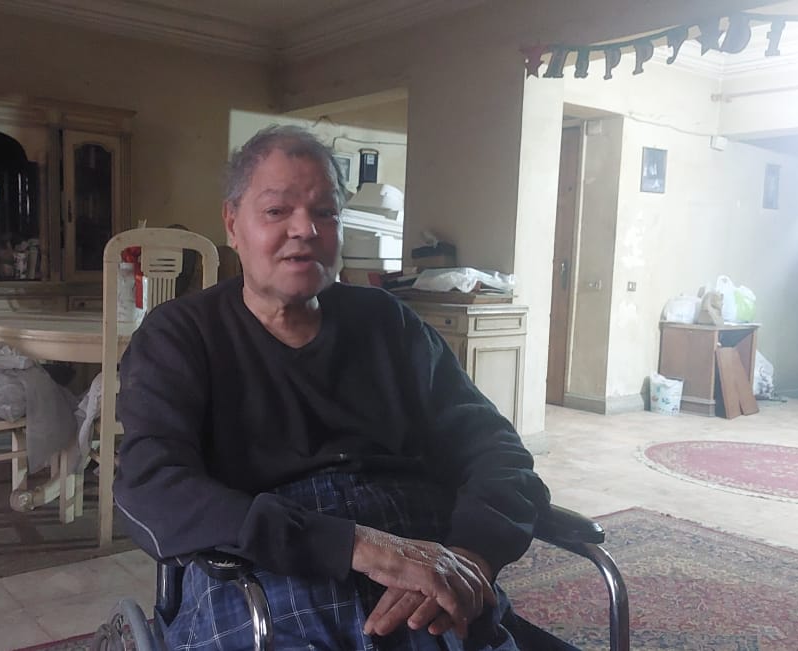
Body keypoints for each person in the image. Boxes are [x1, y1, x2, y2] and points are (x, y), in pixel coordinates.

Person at [113, 125, 555, 650]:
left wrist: (470, 556)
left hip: (423, 568)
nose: (305, 229)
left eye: (325, 212)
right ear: (232, 223)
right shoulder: (180, 335)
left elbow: (496, 450)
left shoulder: (388, 324)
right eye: (276, 210)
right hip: (264, 570)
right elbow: (151, 485)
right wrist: (359, 546)